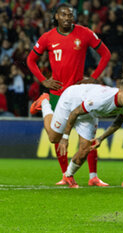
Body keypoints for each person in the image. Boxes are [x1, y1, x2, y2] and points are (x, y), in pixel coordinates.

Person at [26, 3, 111, 187]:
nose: (67, 17)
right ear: (56, 16)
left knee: (88, 135)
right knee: (57, 137)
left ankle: (93, 176)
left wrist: (93, 78)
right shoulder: (47, 37)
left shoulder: (85, 33)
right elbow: (30, 60)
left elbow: (106, 54)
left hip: (81, 92)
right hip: (58, 93)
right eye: (63, 14)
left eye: (70, 15)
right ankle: (67, 175)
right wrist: (43, 80)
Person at [30, 76, 123, 188]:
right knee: (54, 138)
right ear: (120, 90)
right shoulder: (102, 100)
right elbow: (74, 113)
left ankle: (68, 175)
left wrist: (101, 138)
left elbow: (117, 123)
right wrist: (65, 138)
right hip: (72, 100)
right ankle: (44, 102)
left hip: (89, 112)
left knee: (85, 149)